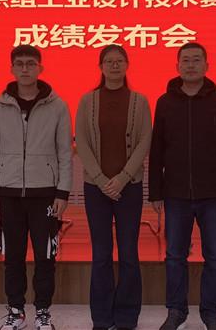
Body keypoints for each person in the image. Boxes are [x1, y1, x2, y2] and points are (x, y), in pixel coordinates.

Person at [148, 42, 216, 330]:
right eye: (186, 60)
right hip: (175, 194)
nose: (191, 65)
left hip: (213, 195)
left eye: (196, 60)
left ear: (206, 65)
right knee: (174, 256)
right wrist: (156, 192)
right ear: (177, 66)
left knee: (215, 256)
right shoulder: (165, 102)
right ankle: (176, 311)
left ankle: (211, 312)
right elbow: (157, 149)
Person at [0, 44, 72, 330]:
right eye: (19, 63)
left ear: (40, 68)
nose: (25, 68)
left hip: (45, 192)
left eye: (30, 63)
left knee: (46, 256)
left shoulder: (57, 106)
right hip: (8, 192)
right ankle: (16, 310)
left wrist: (62, 192)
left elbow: (64, 152)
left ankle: (43, 311)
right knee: (13, 257)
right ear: (12, 68)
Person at [75, 44, 152, 330]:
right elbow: (81, 141)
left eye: (119, 60)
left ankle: (127, 317)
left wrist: (122, 178)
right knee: (101, 254)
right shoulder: (87, 100)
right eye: (109, 61)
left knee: (129, 253)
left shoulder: (140, 101)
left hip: (129, 187)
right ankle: (102, 317)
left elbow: (144, 141)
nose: (114, 65)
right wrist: (100, 179)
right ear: (101, 67)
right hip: (96, 189)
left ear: (127, 64)